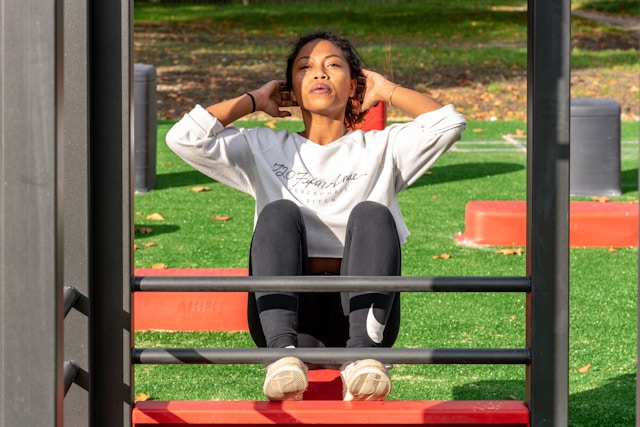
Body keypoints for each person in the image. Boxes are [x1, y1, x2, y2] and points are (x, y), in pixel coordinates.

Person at [166, 30, 466, 402]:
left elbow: (449, 123)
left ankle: (363, 357)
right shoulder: (263, 145)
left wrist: (385, 89)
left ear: (355, 86)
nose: (319, 73)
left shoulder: (383, 146)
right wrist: (253, 100)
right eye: (305, 67)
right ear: (289, 87)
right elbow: (184, 138)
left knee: (373, 213)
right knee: (277, 213)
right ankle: (281, 356)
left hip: (363, 313)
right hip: (287, 317)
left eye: (333, 66)